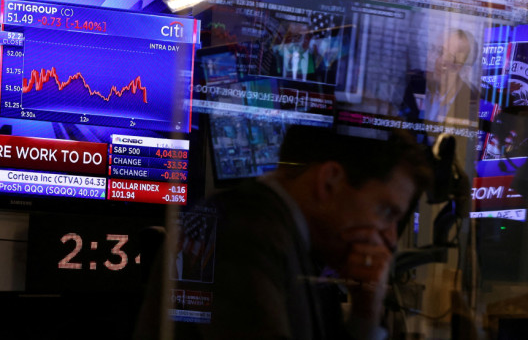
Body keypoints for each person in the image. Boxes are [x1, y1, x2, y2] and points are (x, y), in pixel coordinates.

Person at [135, 125, 431, 340]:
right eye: (386, 212)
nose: (391, 238)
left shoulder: (292, 239)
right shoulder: (238, 234)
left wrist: (365, 313)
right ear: (329, 182)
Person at [401, 29, 479, 125]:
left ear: (462, 69)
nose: (430, 59)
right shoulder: (414, 83)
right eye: (433, 49)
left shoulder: (475, 105)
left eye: (441, 53)